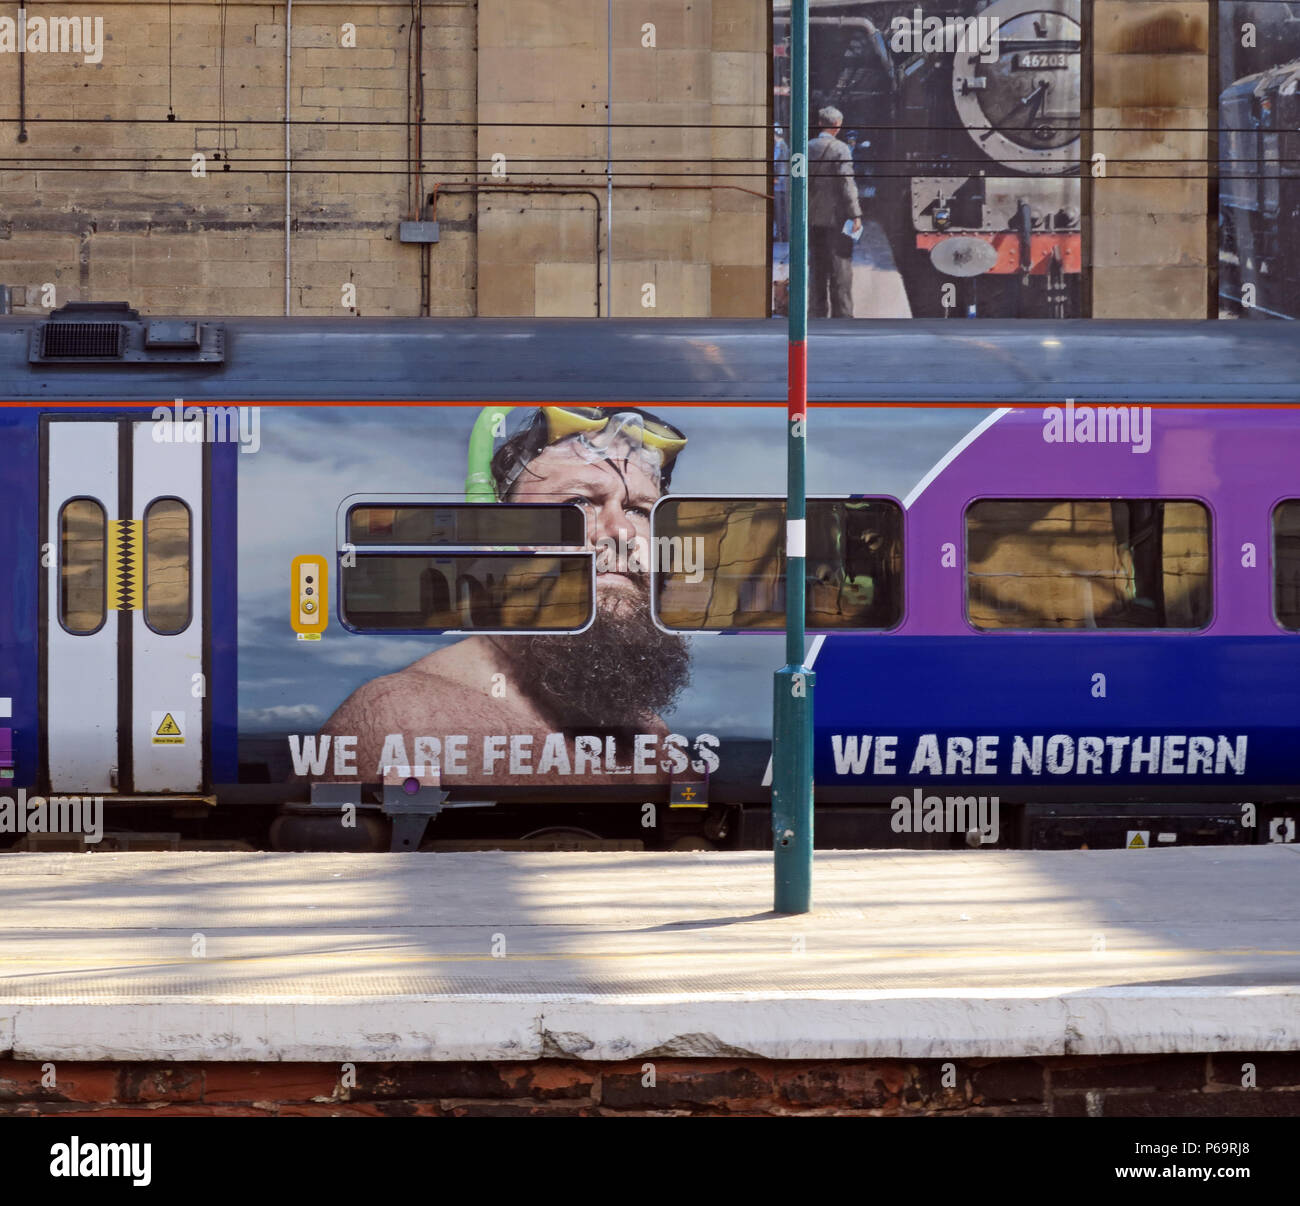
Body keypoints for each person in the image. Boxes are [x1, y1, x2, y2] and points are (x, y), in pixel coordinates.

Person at [318, 407, 695, 786]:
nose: (622, 531)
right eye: (578, 503)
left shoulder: (650, 733)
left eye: (638, 510)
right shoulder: (401, 722)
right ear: (496, 538)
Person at [808, 105, 862, 318]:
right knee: (841, 271)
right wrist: (855, 214)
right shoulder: (841, 149)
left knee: (817, 270)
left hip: (813, 220)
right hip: (837, 220)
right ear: (838, 126)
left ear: (820, 124)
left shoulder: (806, 147)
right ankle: (843, 317)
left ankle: (817, 314)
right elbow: (847, 184)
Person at [773, 124, 790, 244]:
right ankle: (781, 233)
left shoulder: (782, 147)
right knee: (780, 211)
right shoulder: (780, 146)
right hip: (781, 184)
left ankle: (781, 234)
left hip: (780, 185)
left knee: (780, 211)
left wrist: (777, 177)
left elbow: (782, 165)